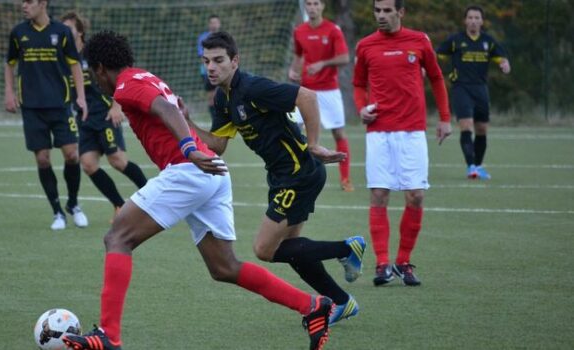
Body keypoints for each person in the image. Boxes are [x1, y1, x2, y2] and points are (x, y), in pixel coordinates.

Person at [62, 30, 334, 350]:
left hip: (190, 169)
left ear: (99, 69)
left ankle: (108, 336)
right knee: (224, 267)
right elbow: (171, 107)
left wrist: (189, 147)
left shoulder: (125, 85)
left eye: (94, 76)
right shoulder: (141, 76)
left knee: (117, 237)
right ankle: (313, 306)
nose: (97, 83)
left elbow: (167, 109)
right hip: (210, 173)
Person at [187, 31, 365, 326]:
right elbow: (217, 145)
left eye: (218, 60)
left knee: (264, 249)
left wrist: (313, 143)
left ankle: (347, 248)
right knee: (293, 250)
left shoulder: (253, 88)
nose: (211, 67)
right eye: (206, 61)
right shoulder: (223, 98)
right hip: (282, 177)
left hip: (299, 174)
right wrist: (186, 120)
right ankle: (343, 302)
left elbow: (306, 96)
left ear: (235, 61)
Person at [352, 0, 452, 286]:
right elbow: (358, 84)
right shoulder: (366, 45)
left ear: (400, 12)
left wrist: (445, 118)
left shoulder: (419, 41)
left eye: (386, 10)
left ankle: (403, 262)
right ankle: (382, 264)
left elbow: (435, 76)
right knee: (379, 195)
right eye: (377, 11)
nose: (381, 16)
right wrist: (361, 108)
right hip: (379, 132)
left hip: (412, 132)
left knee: (416, 196)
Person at [4, 0, 88, 230]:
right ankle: (57, 212)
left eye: (29, 1)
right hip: (31, 107)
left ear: (43, 4)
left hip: (60, 105)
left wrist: (80, 97)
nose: (24, 5)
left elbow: (74, 65)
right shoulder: (18, 33)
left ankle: (73, 203)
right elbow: (10, 64)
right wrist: (9, 92)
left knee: (72, 155)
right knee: (42, 158)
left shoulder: (61, 32)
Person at [61, 12, 148, 222]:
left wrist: (117, 105)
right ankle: (119, 205)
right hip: (84, 120)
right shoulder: (63, 58)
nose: (64, 32)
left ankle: (152, 198)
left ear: (80, 31)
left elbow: (119, 76)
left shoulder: (93, 55)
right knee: (89, 164)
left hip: (105, 114)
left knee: (118, 161)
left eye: (69, 28)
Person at [436, 5, 511, 180]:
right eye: (470, 17)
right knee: (466, 125)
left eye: (477, 18)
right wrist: (425, 66)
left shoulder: (488, 41)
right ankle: (471, 167)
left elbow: (502, 57)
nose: (473, 21)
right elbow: (437, 55)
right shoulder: (455, 40)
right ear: (465, 21)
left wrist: (504, 64)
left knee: (482, 129)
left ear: (482, 21)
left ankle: (478, 166)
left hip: (481, 89)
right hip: (461, 88)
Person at [289, 0, 354, 192]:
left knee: (338, 133)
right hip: (306, 91)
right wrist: (293, 71)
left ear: (322, 6)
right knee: (293, 130)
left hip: (329, 91)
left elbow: (344, 58)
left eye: (316, 3)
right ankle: (297, 175)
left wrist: (323, 64)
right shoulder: (299, 30)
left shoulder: (333, 30)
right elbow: (298, 57)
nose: (312, 7)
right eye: (308, 3)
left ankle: (345, 179)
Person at [197, 14, 222, 120]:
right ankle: (215, 120)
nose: (214, 25)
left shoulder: (223, 37)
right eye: (212, 23)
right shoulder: (203, 37)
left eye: (216, 22)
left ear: (219, 24)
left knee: (222, 94)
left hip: (222, 71)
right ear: (209, 24)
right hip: (207, 71)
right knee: (211, 97)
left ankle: (224, 118)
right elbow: (201, 55)